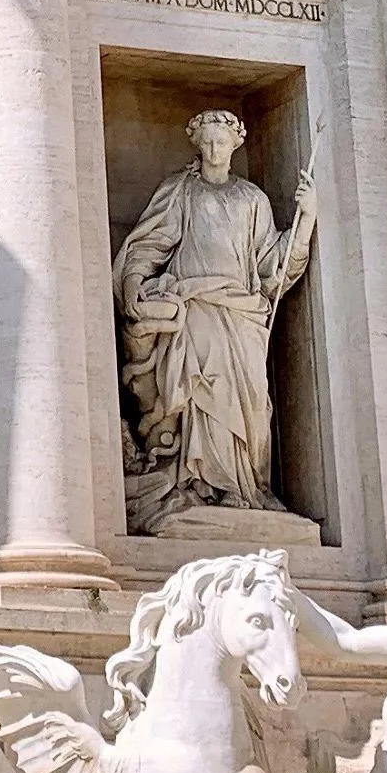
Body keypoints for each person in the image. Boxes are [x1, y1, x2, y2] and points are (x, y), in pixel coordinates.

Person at [115, 109, 315, 526]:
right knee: (202, 396)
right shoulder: (180, 191)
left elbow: (271, 266)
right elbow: (149, 244)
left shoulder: (252, 200)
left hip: (242, 314)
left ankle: (247, 486)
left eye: (220, 142)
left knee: (252, 404)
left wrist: (306, 219)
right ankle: (199, 484)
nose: (213, 149)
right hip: (196, 309)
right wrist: (134, 279)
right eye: (206, 142)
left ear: (235, 145)